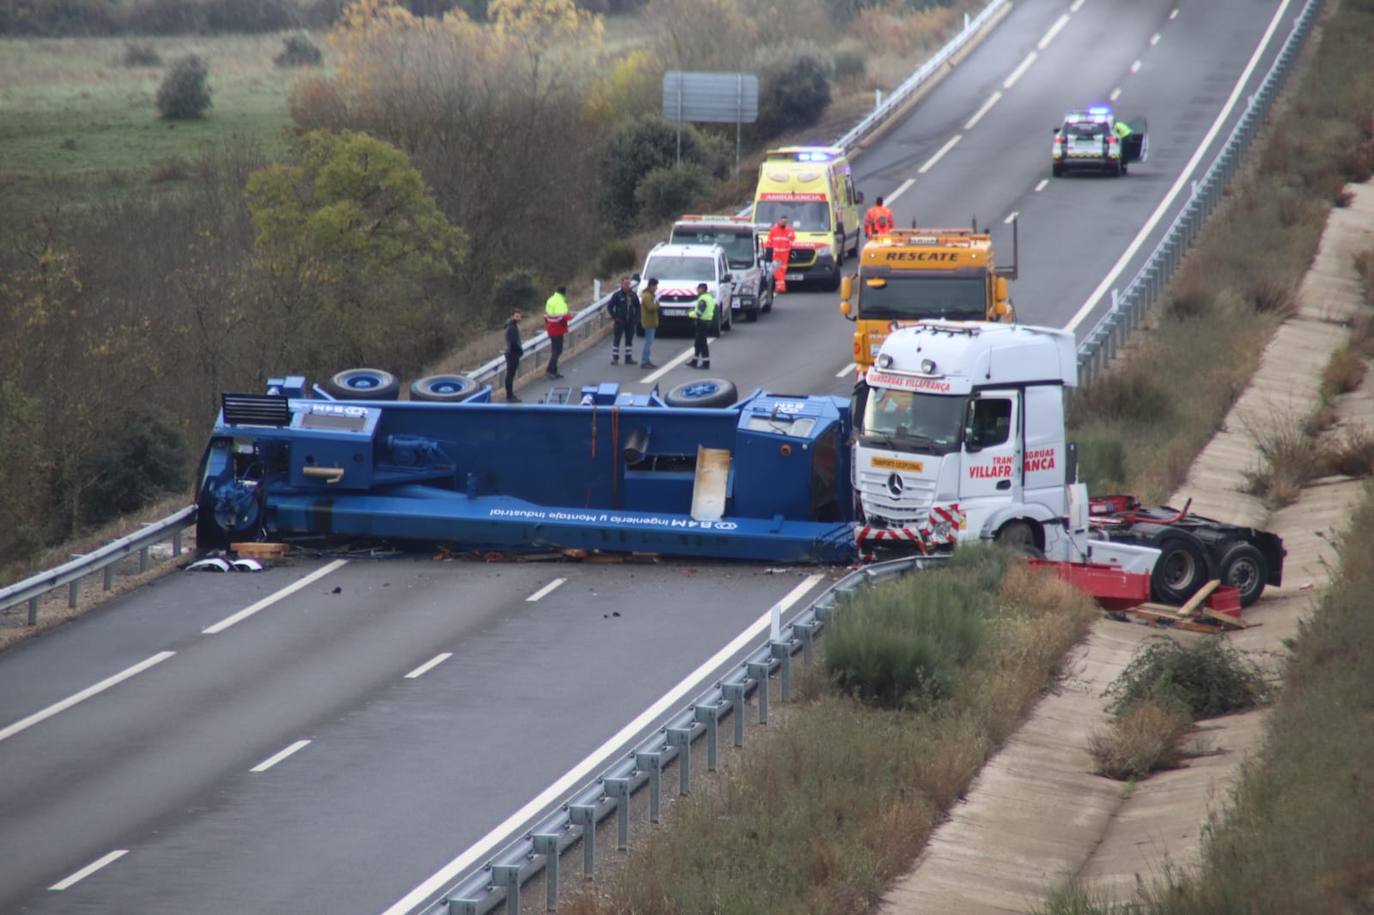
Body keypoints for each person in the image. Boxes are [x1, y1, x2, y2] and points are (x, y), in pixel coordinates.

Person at [607, 276, 638, 365]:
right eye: (625, 284)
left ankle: (628, 358)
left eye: (629, 284)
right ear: (622, 284)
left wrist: (636, 318)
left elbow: (638, 307)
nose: (627, 286)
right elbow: (610, 307)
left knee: (629, 339)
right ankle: (615, 358)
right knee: (617, 339)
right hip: (620, 321)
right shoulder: (617, 295)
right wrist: (615, 317)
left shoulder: (633, 295)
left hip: (630, 322)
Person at [544, 285, 572, 378]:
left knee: (555, 351)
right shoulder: (560, 302)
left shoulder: (550, 299)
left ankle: (553, 370)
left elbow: (546, 315)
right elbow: (562, 317)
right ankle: (550, 370)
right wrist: (569, 317)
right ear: (564, 292)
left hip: (551, 328)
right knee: (557, 351)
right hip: (558, 329)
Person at [687, 282, 715, 370]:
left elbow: (698, 313)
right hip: (707, 321)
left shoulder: (703, 299)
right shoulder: (709, 297)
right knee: (698, 343)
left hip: (702, 322)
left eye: (698, 289)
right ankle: (695, 361)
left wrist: (689, 313)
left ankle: (706, 363)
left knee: (702, 343)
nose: (697, 290)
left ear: (702, 289)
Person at [766, 215, 796, 293]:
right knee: (777, 270)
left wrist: (789, 243)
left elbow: (792, 239)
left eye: (785, 222)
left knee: (782, 270)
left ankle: (780, 287)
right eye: (783, 221)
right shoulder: (773, 230)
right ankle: (781, 287)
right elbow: (769, 242)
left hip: (785, 254)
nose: (784, 223)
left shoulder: (789, 230)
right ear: (779, 221)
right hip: (776, 254)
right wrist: (769, 252)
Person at [639, 277, 660, 369]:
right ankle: (644, 361)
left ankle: (647, 360)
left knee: (649, 342)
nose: (656, 288)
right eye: (655, 286)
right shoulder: (647, 296)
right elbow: (650, 308)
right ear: (651, 286)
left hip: (651, 322)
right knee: (648, 343)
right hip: (648, 322)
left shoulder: (650, 295)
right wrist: (657, 304)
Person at [503, 309, 524, 402]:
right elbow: (513, 343)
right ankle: (509, 395)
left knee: (510, 375)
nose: (518, 318)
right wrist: (520, 351)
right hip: (512, 353)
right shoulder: (512, 328)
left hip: (511, 353)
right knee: (510, 375)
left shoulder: (512, 326)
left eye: (519, 316)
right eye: (516, 316)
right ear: (512, 316)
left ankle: (510, 394)